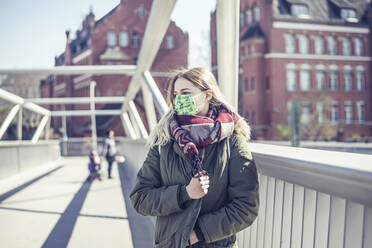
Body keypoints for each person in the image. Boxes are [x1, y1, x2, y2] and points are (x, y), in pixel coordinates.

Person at [130, 67, 259, 248]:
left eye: (186, 92)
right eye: (176, 94)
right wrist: (185, 193)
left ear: (207, 95)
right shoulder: (164, 141)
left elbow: (246, 207)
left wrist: (199, 233)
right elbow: (140, 198)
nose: (179, 99)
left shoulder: (232, 142)